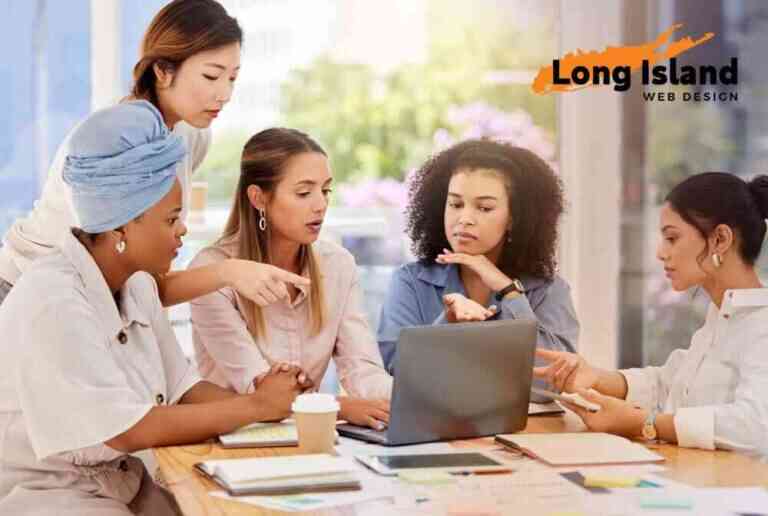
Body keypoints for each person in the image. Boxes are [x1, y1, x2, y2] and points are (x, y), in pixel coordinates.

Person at [0, 101, 309, 515]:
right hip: (47, 492)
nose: (183, 229)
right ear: (121, 227)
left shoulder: (137, 284)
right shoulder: (53, 299)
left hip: (119, 481)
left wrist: (274, 403)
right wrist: (255, 407)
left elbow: (183, 390)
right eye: (171, 219)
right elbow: (127, 430)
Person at [0, 0, 300, 308]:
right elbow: (139, 285)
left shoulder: (192, 135)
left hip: (85, 296)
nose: (225, 94)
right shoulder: (117, 143)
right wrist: (229, 272)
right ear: (163, 71)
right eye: (211, 76)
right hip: (25, 289)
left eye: (232, 78)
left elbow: (143, 281)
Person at [535, 172, 768, 452]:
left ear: (720, 239)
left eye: (672, 238)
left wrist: (644, 424)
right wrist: (595, 378)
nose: (660, 252)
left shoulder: (761, 324)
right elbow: (669, 384)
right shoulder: (721, 316)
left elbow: (754, 426)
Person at [189, 128, 393, 430]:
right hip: (234, 440)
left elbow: (362, 369)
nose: (320, 205)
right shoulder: (212, 273)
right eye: (303, 193)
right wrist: (341, 407)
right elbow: (261, 393)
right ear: (258, 198)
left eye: (325, 191)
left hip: (310, 437)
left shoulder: (338, 265)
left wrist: (408, 397)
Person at [377, 139, 579, 396]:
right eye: (455, 204)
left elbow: (550, 381)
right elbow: (400, 371)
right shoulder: (410, 282)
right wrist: (448, 323)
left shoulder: (548, 291)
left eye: (484, 208)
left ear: (514, 218)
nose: (465, 219)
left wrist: (509, 291)